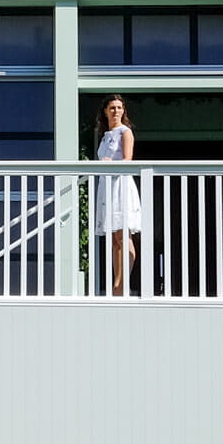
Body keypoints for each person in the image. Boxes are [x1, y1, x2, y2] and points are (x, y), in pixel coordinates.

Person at [93, 95, 144, 296]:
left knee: (123, 235)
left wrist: (110, 164)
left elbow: (128, 159)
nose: (116, 111)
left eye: (119, 108)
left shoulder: (125, 132)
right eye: (112, 108)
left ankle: (122, 285)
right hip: (107, 186)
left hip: (120, 185)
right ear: (105, 111)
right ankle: (118, 283)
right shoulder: (105, 135)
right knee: (115, 239)